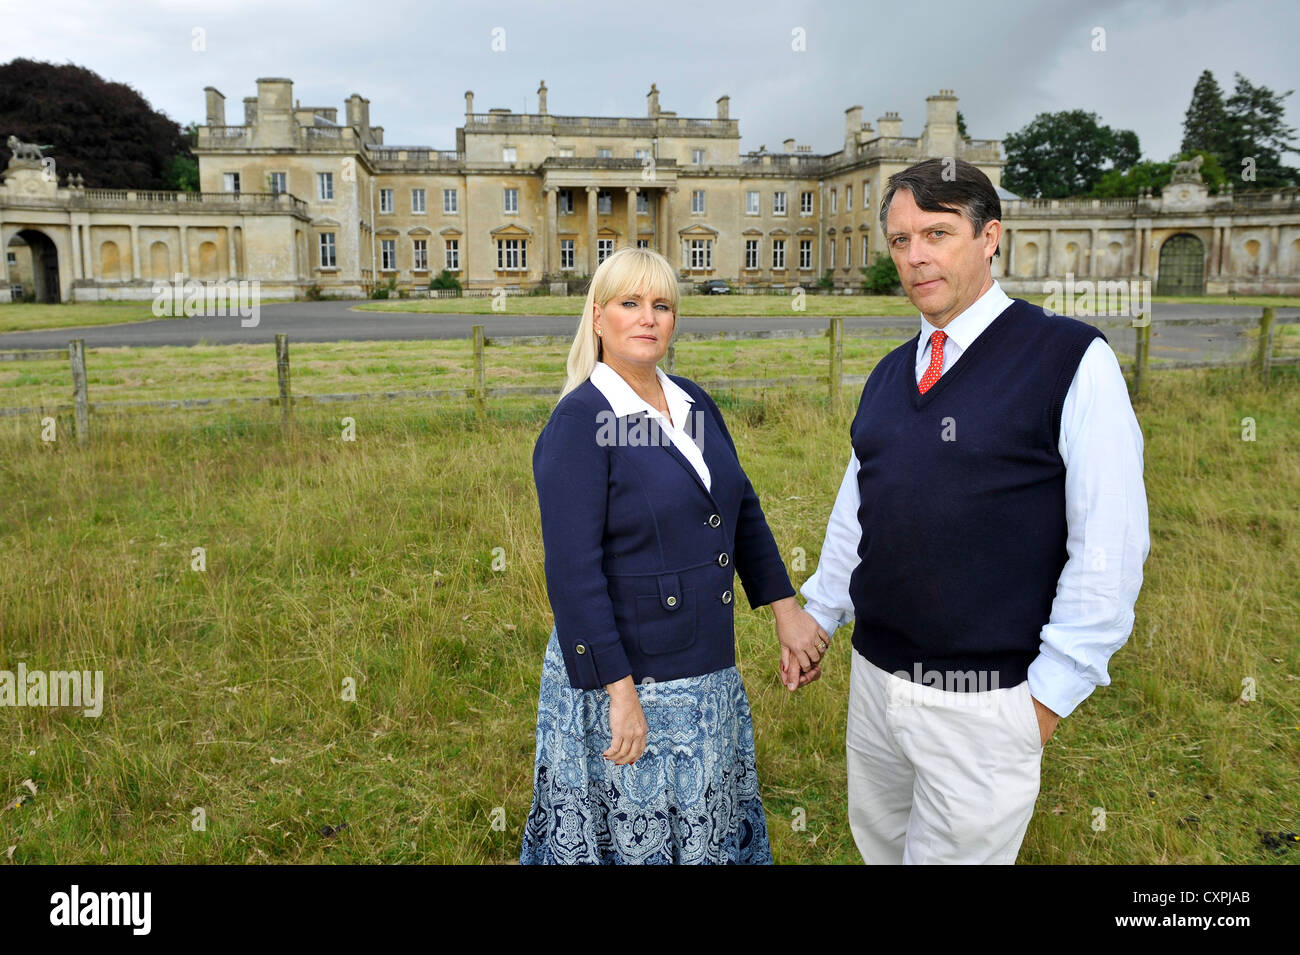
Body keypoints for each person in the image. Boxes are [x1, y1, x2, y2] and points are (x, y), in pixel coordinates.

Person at [797, 157, 1150, 864]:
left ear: (991, 236)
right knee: (882, 851)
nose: (916, 256)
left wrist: (1043, 703)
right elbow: (858, 505)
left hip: (987, 703)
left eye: (937, 232)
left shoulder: (1068, 359)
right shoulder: (893, 371)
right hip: (876, 685)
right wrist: (821, 611)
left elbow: (1109, 543)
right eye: (900, 240)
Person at [520, 247, 827, 865]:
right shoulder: (581, 422)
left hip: (706, 670)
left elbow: (740, 510)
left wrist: (785, 610)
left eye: (661, 305)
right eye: (630, 303)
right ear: (599, 318)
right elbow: (573, 575)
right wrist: (620, 693)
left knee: (704, 837)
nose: (648, 317)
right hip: (628, 678)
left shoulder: (693, 405)